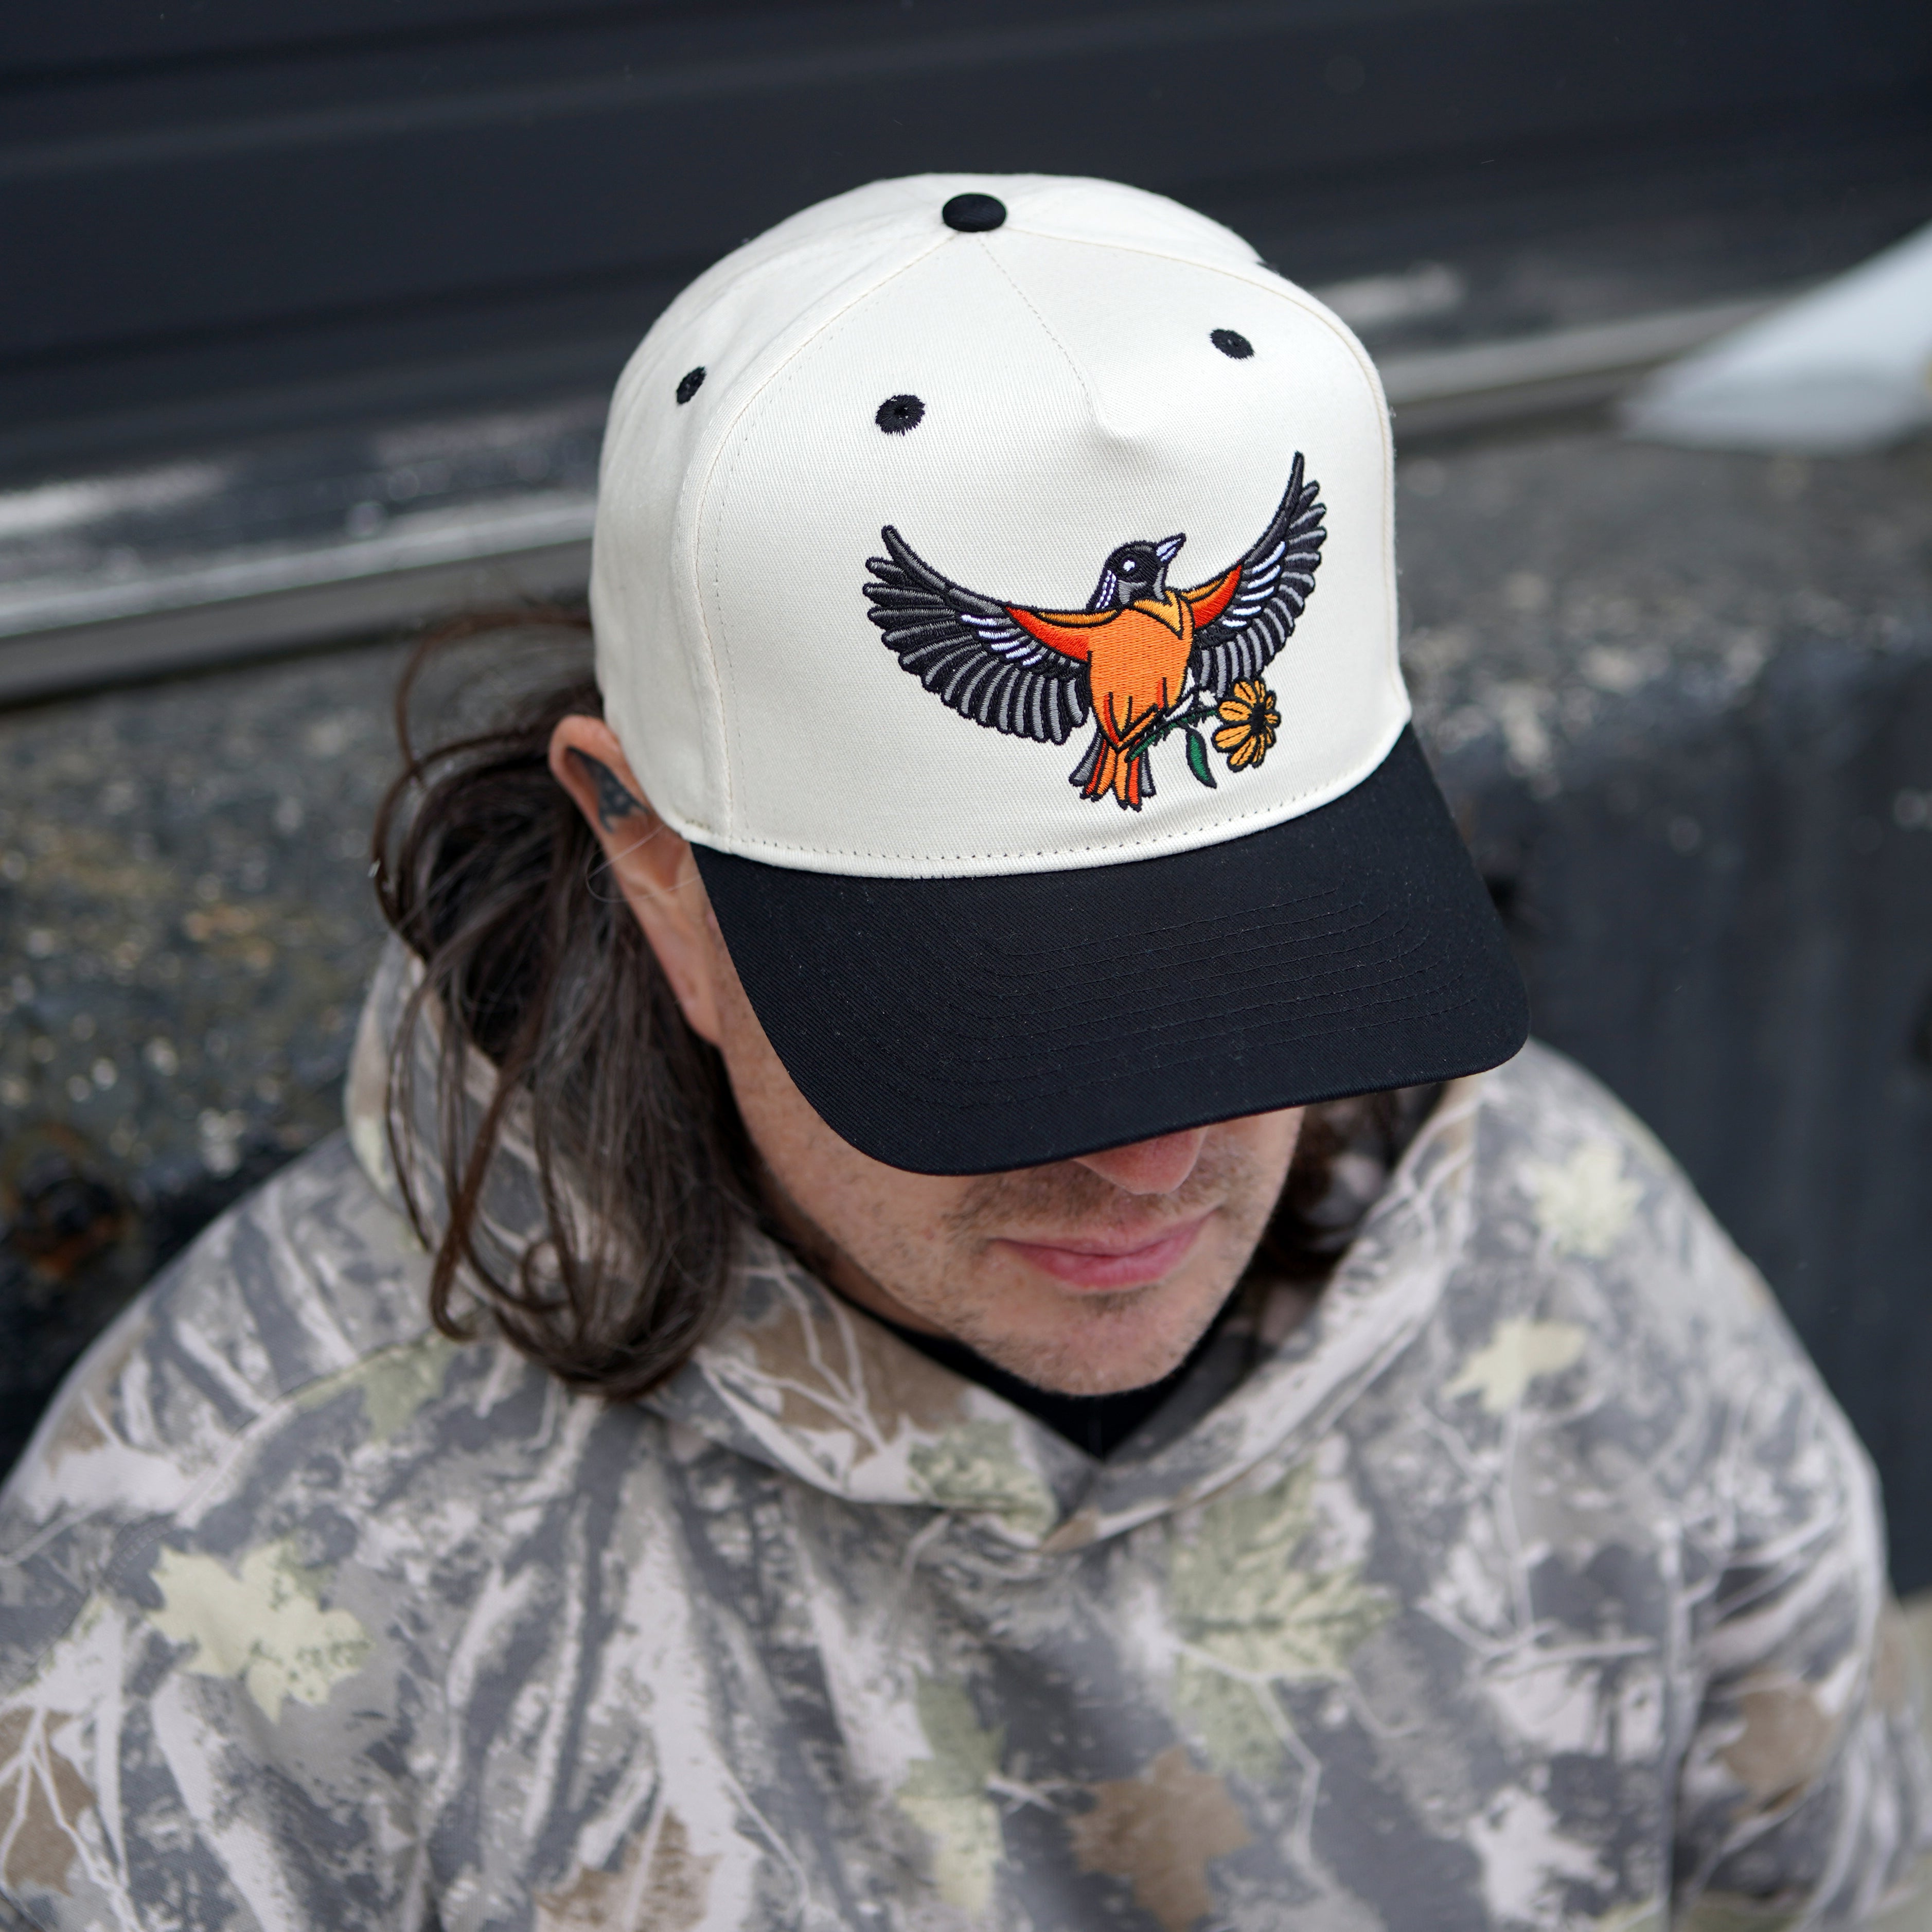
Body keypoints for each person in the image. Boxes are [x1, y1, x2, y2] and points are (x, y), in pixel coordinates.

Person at [1, 174, 1926, 1931]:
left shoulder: (1567, 1255)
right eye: (1009, 1036)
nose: (1157, 1158)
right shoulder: (231, 1580)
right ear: (647, 851)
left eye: (1271, 985)